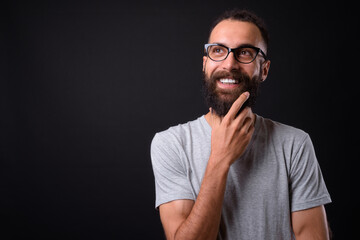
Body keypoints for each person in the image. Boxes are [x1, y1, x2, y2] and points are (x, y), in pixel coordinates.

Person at [150, 9, 331, 240]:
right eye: (218, 50)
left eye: (245, 52)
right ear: (205, 64)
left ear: (263, 70)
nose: (230, 63)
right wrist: (220, 158)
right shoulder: (170, 144)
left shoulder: (295, 144)